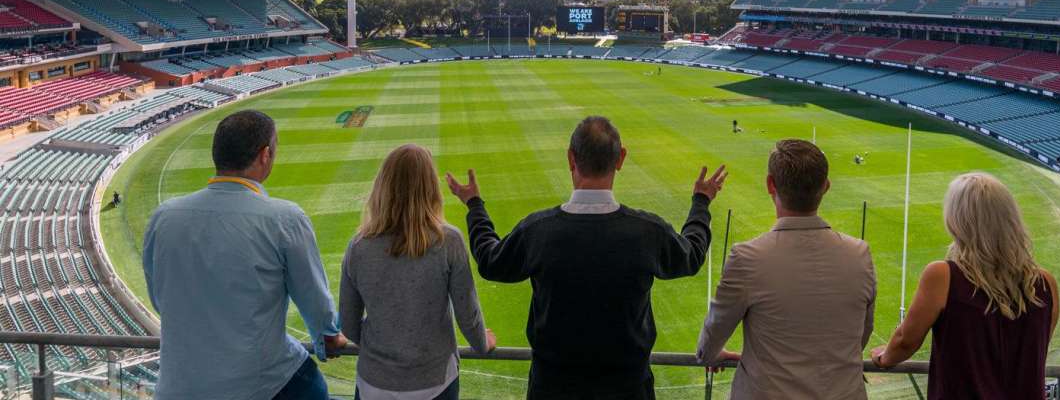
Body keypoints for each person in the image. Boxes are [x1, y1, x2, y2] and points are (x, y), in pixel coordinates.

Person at [447, 115, 726, 400]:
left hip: (552, 389)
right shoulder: (647, 232)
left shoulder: (539, 231)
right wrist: (701, 203)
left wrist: (474, 205)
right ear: (621, 158)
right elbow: (691, 255)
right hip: (628, 390)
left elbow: (490, 260)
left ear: (570, 158)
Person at [143, 110, 346, 400]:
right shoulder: (285, 219)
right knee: (314, 387)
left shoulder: (164, 216)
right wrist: (326, 339)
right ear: (265, 155)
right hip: (255, 384)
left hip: (176, 385)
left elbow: (160, 298)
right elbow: (316, 304)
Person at [697, 139, 876, 400]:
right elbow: (862, 335)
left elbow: (712, 337)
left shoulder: (748, 257)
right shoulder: (860, 254)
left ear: (770, 185)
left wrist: (711, 354)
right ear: (826, 187)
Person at [871, 172, 1060, 400]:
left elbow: (906, 341)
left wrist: (885, 357)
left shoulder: (942, 276)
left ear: (958, 220)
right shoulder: (1046, 283)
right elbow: (1037, 350)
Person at [339, 144, 496, 400]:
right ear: (430, 187)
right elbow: (468, 315)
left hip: (373, 385)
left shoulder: (358, 246)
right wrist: (482, 343)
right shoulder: (449, 241)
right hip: (435, 383)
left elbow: (348, 324)